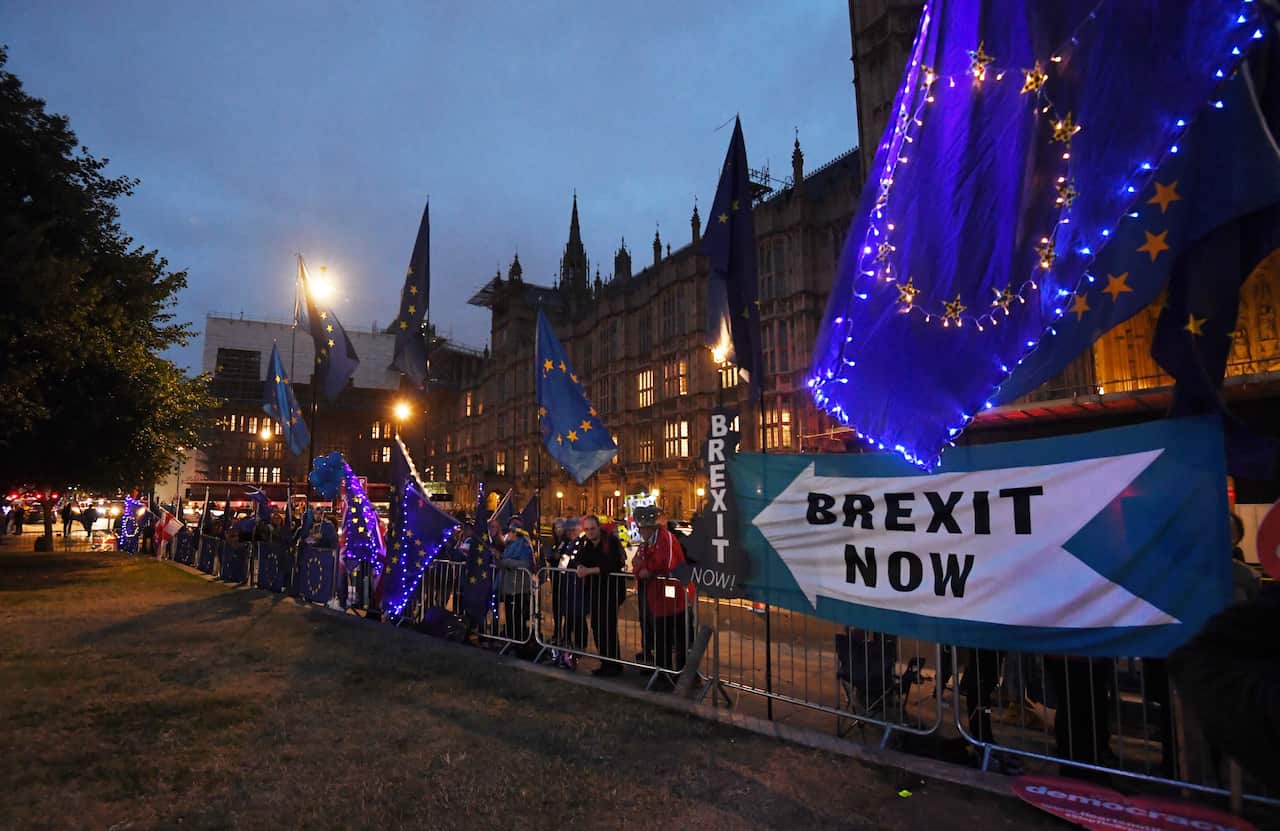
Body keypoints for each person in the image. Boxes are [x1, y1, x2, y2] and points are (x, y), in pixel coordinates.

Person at [632, 504, 692, 674]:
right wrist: (644, 569)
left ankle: (683, 673)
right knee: (662, 637)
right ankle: (664, 673)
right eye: (641, 528)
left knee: (679, 637)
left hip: (674, 596)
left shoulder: (666, 538)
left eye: (646, 528)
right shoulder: (645, 545)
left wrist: (646, 569)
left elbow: (666, 563)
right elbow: (635, 566)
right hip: (657, 599)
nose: (643, 531)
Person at [578, 514, 626, 676]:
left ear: (599, 528)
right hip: (596, 590)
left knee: (608, 627)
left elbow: (612, 564)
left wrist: (590, 570)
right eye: (587, 529)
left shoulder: (610, 542)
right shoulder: (587, 543)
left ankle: (613, 664)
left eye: (592, 529)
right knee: (597, 627)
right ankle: (606, 662)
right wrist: (580, 566)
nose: (590, 532)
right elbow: (581, 558)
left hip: (611, 591)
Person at [497, 517, 535, 643]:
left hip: (519, 588)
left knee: (518, 617)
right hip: (509, 587)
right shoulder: (509, 545)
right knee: (509, 616)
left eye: (512, 530)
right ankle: (510, 639)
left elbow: (525, 564)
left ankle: (518, 642)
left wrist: (506, 562)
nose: (509, 533)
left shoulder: (524, 544)